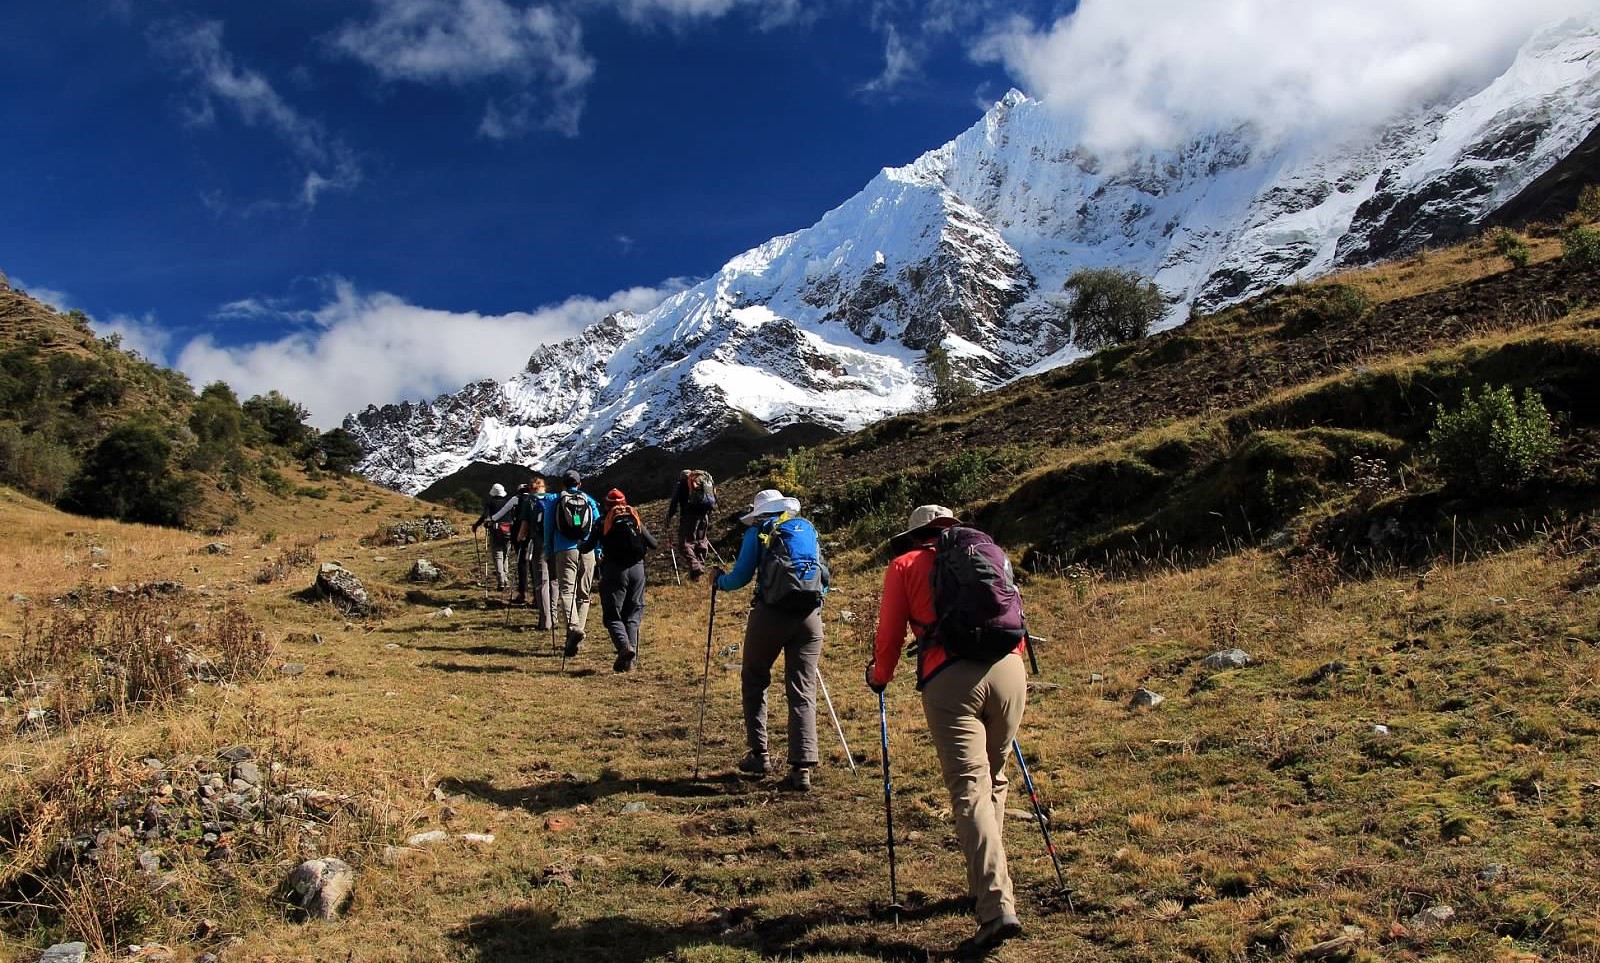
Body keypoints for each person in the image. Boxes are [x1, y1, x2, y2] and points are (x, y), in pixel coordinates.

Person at [865, 505, 1028, 956]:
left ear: (914, 534)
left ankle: (996, 906)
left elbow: (890, 634)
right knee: (995, 778)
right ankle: (984, 886)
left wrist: (879, 676)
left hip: (950, 677)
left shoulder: (905, 564)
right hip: (1009, 669)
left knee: (970, 789)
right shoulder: (987, 552)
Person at [713, 488, 829, 791]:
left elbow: (740, 577)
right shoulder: (806, 530)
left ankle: (759, 754)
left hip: (771, 613)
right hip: (809, 616)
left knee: (755, 677)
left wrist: (719, 581)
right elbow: (824, 577)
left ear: (760, 513)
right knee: (803, 689)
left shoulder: (760, 531)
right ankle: (802, 767)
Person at [597, 488, 659, 672]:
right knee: (633, 613)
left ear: (606, 504)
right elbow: (654, 543)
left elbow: (586, 547)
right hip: (637, 570)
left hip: (614, 570)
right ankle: (630, 662)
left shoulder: (603, 522)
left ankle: (624, 647)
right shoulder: (634, 518)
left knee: (612, 614)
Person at [546, 469, 601, 658]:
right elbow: (597, 525)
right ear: (579, 484)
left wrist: (548, 550)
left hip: (564, 550)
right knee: (584, 595)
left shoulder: (555, 500)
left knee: (567, 591)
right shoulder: (589, 500)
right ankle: (578, 633)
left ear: (563, 484)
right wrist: (598, 550)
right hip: (587, 550)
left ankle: (573, 628)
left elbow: (548, 526)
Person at [665, 469, 716, 581]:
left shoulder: (681, 484)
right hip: (704, 515)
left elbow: (674, 501)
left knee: (684, 544)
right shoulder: (702, 483)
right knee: (701, 542)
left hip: (689, 516)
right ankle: (697, 574)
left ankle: (696, 567)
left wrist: (669, 516)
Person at [469, 482, 513, 591]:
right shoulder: (508, 502)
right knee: (505, 556)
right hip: (509, 531)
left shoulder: (490, 503)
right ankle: (505, 579)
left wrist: (476, 525)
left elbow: (485, 516)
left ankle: (501, 581)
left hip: (496, 531)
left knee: (498, 555)